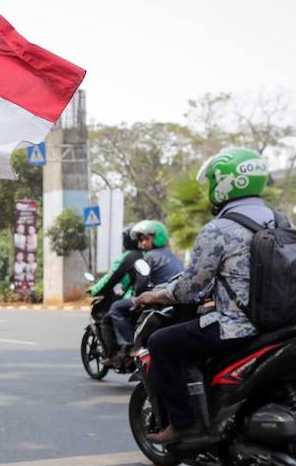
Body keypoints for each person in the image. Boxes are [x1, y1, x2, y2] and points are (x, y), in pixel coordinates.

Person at [132, 147, 275, 444]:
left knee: (161, 342)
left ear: (225, 183)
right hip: (283, 323)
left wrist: (156, 296)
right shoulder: (281, 221)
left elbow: (190, 288)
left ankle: (183, 424)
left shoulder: (219, 229)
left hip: (238, 325)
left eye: (212, 181)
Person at [104, 220, 182, 364]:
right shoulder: (174, 256)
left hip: (157, 298)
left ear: (157, 237)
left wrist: (136, 297)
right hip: (172, 299)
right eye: (140, 239)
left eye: (145, 238)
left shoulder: (150, 256)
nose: (141, 243)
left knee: (116, 308)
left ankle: (128, 346)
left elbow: (142, 283)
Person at [90, 227, 144, 358]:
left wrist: (94, 290)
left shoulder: (128, 257)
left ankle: (120, 349)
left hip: (133, 296)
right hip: (150, 295)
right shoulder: (147, 255)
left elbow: (111, 278)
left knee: (108, 316)